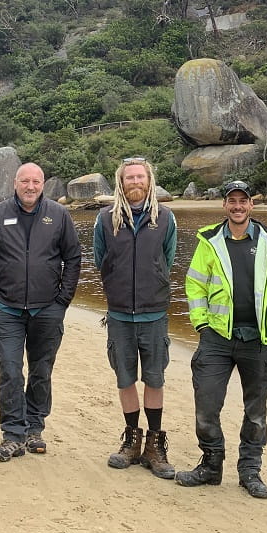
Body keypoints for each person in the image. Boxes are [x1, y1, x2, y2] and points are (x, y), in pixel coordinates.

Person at [175, 180, 267, 499]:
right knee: (206, 405)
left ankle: (250, 471)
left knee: (256, 412)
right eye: (232, 201)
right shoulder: (210, 241)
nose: (238, 206)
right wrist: (202, 323)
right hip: (216, 338)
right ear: (225, 205)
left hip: (258, 340)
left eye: (243, 201)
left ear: (251, 206)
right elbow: (195, 285)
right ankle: (211, 465)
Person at [0, 162, 82, 462]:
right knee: (9, 370)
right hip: (6, 308)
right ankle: (13, 435)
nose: (30, 187)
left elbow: (73, 258)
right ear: (15, 183)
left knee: (41, 371)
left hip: (48, 309)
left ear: (43, 184)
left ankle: (34, 427)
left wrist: (63, 300)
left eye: (36, 181)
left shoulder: (58, 215)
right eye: (25, 181)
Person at [93, 157, 178, 479]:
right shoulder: (105, 220)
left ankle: (155, 445)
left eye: (140, 177)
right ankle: (131, 440)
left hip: (153, 313)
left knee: (154, 379)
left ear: (149, 180)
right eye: (129, 177)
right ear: (121, 182)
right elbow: (102, 260)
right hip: (119, 315)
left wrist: (152, 281)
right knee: (125, 379)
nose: (135, 182)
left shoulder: (166, 219)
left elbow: (166, 261)